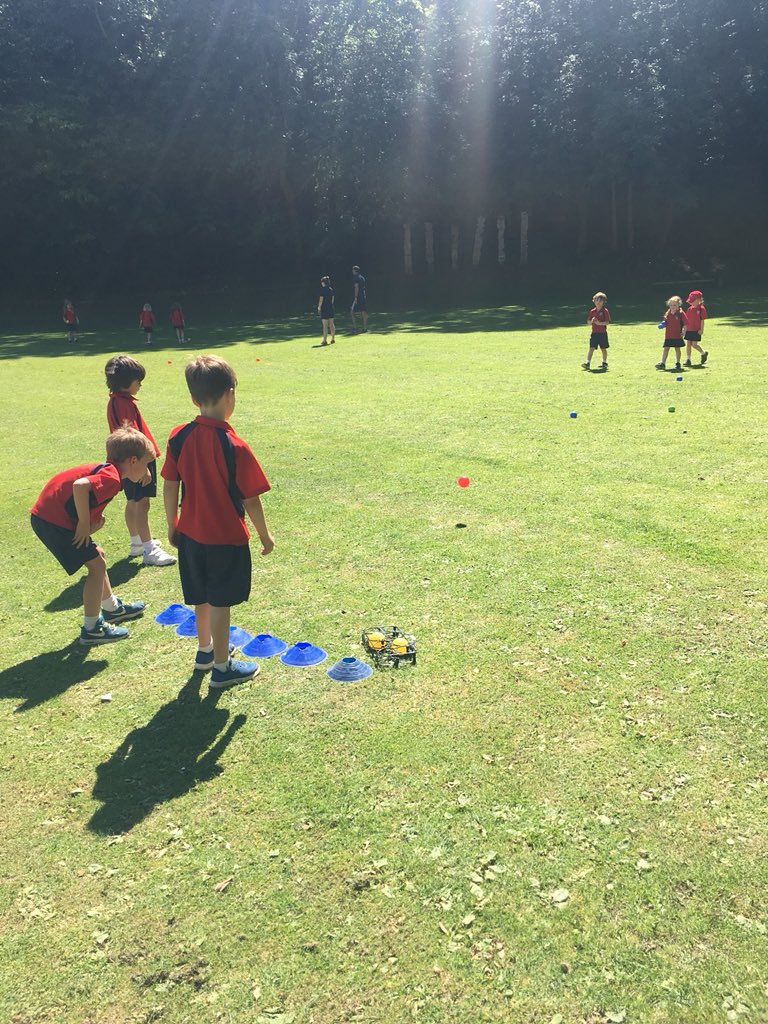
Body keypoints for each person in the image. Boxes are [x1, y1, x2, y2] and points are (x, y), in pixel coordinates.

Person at [162, 355, 275, 689]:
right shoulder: (235, 446)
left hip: (191, 535)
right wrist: (265, 536)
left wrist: (172, 524)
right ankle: (222, 668)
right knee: (221, 600)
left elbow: (170, 485)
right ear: (230, 395)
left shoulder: (178, 436)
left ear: (194, 399)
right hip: (225, 538)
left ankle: (205, 651)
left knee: (200, 596)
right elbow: (250, 498)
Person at [30, 428, 155, 646]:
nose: (148, 471)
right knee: (97, 566)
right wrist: (85, 524)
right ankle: (92, 629)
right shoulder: (112, 477)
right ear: (133, 461)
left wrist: (89, 523)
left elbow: (80, 496)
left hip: (49, 516)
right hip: (51, 520)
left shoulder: (111, 471)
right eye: (147, 464)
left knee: (98, 555)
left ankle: (112, 609)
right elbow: (80, 487)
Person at [105, 355, 176, 567]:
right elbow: (132, 435)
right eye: (138, 381)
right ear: (125, 383)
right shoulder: (122, 403)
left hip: (129, 460)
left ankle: (137, 542)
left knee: (133, 500)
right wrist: (144, 466)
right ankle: (149, 549)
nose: (140, 385)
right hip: (136, 460)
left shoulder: (118, 401)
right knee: (141, 503)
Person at [581, 291, 611, 371]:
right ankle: (587, 363)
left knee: (603, 348)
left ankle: (604, 362)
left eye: (600, 301)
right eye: (597, 300)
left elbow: (607, 322)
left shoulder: (605, 311)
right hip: (594, 333)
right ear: (594, 301)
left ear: (603, 302)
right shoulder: (592, 311)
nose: (598, 302)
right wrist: (592, 322)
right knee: (591, 348)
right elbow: (588, 322)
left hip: (602, 333)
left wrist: (599, 323)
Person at [656, 295, 686, 371]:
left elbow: (685, 324)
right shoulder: (668, 313)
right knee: (666, 348)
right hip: (669, 335)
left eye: (674, 305)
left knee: (677, 348)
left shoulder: (681, 313)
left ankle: (678, 363)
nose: (672, 307)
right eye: (671, 305)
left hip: (677, 335)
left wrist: (684, 332)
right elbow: (666, 322)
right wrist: (663, 325)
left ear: (678, 305)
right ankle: (663, 363)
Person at [684, 290, 708, 366]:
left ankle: (703, 353)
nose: (690, 303)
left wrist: (701, 329)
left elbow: (702, 320)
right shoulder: (689, 309)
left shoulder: (701, 309)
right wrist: (684, 328)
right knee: (688, 344)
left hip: (696, 330)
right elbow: (687, 320)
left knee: (694, 345)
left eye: (692, 301)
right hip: (689, 329)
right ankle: (688, 359)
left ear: (698, 300)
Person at [317, 276, 336, 346]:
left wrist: (319, 307)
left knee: (325, 326)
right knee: (331, 324)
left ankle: (325, 340)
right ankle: (333, 339)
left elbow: (321, 300)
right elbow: (332, 300)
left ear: (323, 282)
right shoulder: (331, 289)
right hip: (330, 308)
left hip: (324, 309)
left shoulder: (322, 290)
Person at [351, 265, 368, 333]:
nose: (352, 271)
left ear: (355, 271)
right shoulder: (362, 278)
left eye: (353, 270)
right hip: (363, 296)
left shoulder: (356, 278)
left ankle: (355, 328)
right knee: (363, 312)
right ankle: (365, 328)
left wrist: (355, 297)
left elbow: (356, 287)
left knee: (352, 312)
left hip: (358, 297)